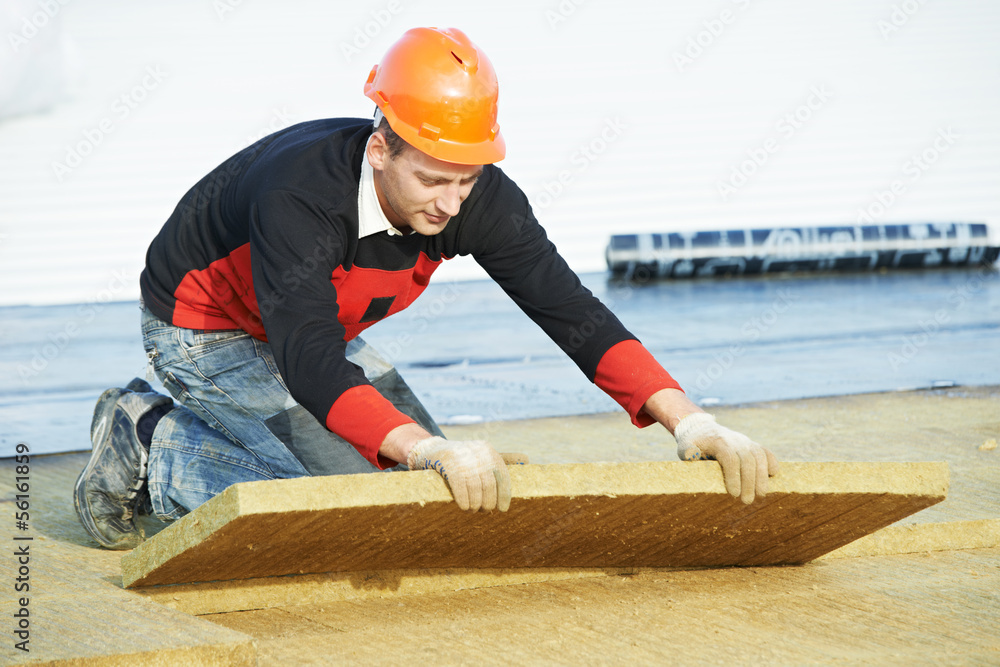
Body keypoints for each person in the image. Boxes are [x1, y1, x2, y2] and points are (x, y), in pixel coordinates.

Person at [74, 27, 779, 550]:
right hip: (204, 328)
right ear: (380, 149)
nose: (451, 202)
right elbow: (312, 364)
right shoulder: (301, 195)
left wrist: (693, 420)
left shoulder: (477, 196)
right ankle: (147, 435)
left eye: (467, 178)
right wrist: (424, 446)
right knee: (338, 515)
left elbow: (573, 313)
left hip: (309, 325)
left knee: (431, 502)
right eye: (434, 178)